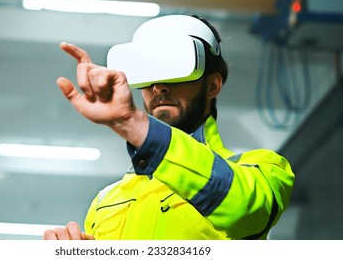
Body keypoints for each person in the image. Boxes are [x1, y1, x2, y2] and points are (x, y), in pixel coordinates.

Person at [44, 14, 295, 240]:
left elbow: (243, 208)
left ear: (212, 85)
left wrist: (133, 123)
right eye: (149, 73)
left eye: (177, 71)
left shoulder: (263, 170)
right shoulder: (105, 201)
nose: (159, 87)